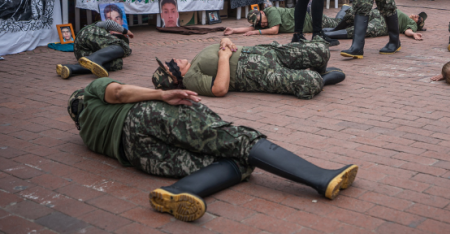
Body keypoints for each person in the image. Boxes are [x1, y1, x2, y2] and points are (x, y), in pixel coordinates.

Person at [67, 79, 359, 223]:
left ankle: (182, 190)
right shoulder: (92, 91)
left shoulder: (86, 134)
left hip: (136, 154)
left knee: (235, 161)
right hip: (146, 117)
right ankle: (320, 178)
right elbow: (117, 93)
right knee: (237, 141)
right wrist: (161, 93)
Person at [153, 37, 345, 99]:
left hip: (261, 52)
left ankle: (315, 69)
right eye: (170, 65)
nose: (173, 59)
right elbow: (219, 89)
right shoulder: (190, 80)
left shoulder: (194, 61)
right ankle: (320, 78)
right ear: (174, 77)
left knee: (321, 49)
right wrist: (224, 56)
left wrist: (224, 40)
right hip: (253, 72)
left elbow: (223, 47)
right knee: (310, 82)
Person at [56, 20, 133, 79]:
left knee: (117, 63)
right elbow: (110, 23)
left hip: (80, 51)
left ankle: (70, 68)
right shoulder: (100, 28)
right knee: (123, 46)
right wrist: (125, 31)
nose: (115, 39)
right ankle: (94, 59)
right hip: (88, 33)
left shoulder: (105, 45)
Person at [223, 6, 341, 37]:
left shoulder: (271, 12)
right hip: (310, 24)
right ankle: (346, 12)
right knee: (339, 24)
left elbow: (274, 31)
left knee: (339, 25)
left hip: (311, 19)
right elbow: (250, 28)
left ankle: (350, 13)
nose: (261, 25)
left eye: (260, 21)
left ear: (262, 12)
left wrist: (256, 32)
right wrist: (233, 30)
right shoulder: (264, 21)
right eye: (258, 24)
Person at [324, 7, 426, 41]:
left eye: (419, 19)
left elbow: (408, 31)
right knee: (356, 11)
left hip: (385, 23)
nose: (417, 16)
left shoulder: (412, 23)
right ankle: (333, 29)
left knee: (363, 29)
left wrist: (413, 34)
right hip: (379, 13)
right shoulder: (404, 15)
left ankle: (327, 34)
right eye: (418, 15)